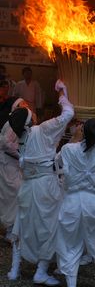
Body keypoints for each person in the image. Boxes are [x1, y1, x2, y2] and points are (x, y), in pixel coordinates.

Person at [7, 80, 74, 285]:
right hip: (46, 187)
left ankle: (14, 270)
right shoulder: (43, 130)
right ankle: (41, 271)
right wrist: (63, 94)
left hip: (27, 187)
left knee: (23, 225)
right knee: (49, 227)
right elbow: (69, 114)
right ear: (30, 118)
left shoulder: (21, 137)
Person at [56, 118, 95, 287]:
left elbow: (58, 162)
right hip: (93, 202)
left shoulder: (68, 149)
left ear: (82, 131)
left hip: (72, 202)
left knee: (70, 244)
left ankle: (71, 283)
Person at [0, 98, 30, 241]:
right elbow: (5, 143)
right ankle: (10, 230)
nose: (26, 106)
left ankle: (14, 229)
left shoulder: (18, 122)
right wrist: (21, 154)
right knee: (12, 196)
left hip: (13, 164)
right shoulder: (13, 123)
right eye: (23, 105)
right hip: (9, 165)